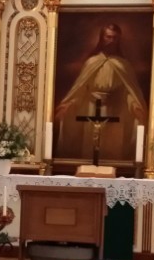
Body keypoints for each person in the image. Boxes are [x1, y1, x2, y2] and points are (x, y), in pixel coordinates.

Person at [53, 23, 148, 161]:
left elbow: (128, 91)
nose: (111, 41)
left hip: (115, 110)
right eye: (108, 37)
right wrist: (68, 105)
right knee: (91, 146)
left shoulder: (123, 65)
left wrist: (135, 106)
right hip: (91, 109)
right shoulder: (91, 62)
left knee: (112, 148)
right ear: (102, 38)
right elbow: (81, 89)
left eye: (115, 38)